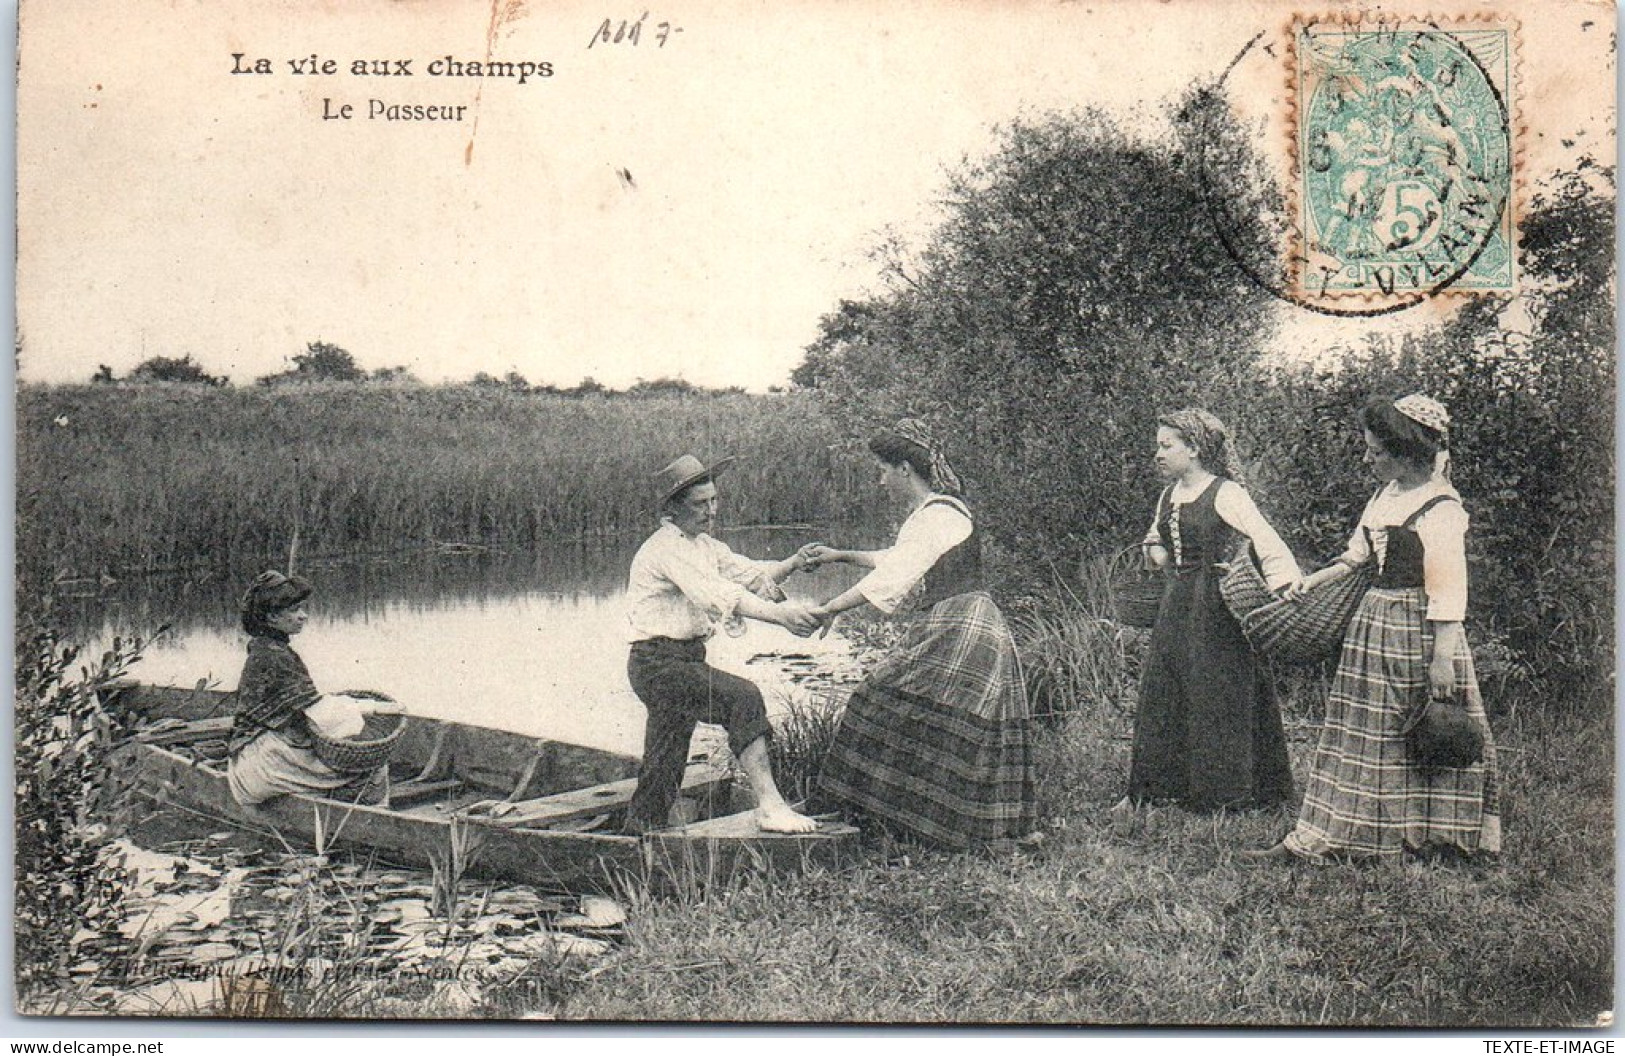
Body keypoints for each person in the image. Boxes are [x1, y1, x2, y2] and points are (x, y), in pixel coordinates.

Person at [1246, 395, 1500, 862]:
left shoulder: (1439, 506)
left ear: (1406, 452)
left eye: (1376, 452)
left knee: (1428, 729)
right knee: (1369, 735)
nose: (1368, 459)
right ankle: (1356, 836)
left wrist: (1442, 659)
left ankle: (1438, 839)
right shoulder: (1387, 495)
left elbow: (1449, 587)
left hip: (1423, 632)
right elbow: (1355, 558)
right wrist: (1310, 582)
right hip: (1375, 626)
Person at [806, 420, 1038, 849]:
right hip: (961, 621)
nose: (880, 480)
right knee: (950, 718)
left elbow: (896, 575)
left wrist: (828, 609)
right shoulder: (939, 512)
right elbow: (897, 558)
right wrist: (840, 555)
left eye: (882, 469)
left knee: (876, 699)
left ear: (905, 471)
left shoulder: (937, 515)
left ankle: (902, 821)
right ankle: (922, 823)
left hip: (962, 624)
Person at [1115, 408, 1301, 823]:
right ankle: (1154, 789)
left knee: (1217, 693)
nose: (1158, 454)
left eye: (1167, 446)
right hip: (1176, 603)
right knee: (1164, 689)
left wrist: (1287, 588)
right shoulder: (1168, 495)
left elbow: (1268, 543)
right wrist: (1155, 551)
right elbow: (1155, 540)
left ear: (1195, 449)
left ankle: (1222, 794)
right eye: (1158, 446)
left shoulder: (1226, 493)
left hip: (1215, 609)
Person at [624, 454, 822, 835]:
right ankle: (770, 806)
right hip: (658, 664)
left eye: (714, 501)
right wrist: (781, 616)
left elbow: (751, 575)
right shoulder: (668, 548)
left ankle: (639, 832)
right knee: (742, 698)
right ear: (673, 508)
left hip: (682, 660)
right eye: (700, 504)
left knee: (665, 758)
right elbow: (719, 594)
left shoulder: (703, 546)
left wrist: (795, 562)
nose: (711, 511)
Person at [227, 571, 400, 807]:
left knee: (349, 753)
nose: (303, 616)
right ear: (271, 617)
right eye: (294, 610)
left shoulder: (267, 647)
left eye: (301, 608)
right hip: (262, 762)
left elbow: (307, 704)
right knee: (371, 768)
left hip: (264, 749)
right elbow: (316, 708)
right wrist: (373, 708)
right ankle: (368, 819)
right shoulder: (273, 656)